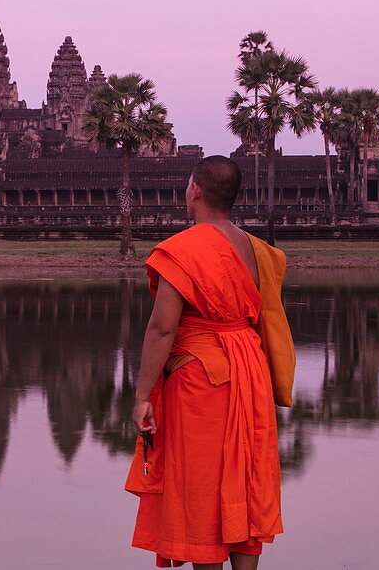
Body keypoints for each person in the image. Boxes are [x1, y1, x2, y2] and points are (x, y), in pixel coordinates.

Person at [124, 155, 295, 569]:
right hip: (249, 370)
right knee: (245, 475)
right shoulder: (258, 250)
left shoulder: (184, 249)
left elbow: (162, 329)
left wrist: (143, 396)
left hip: (202, 376)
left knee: (202, 483)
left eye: (187, 184)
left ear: (195, 190)